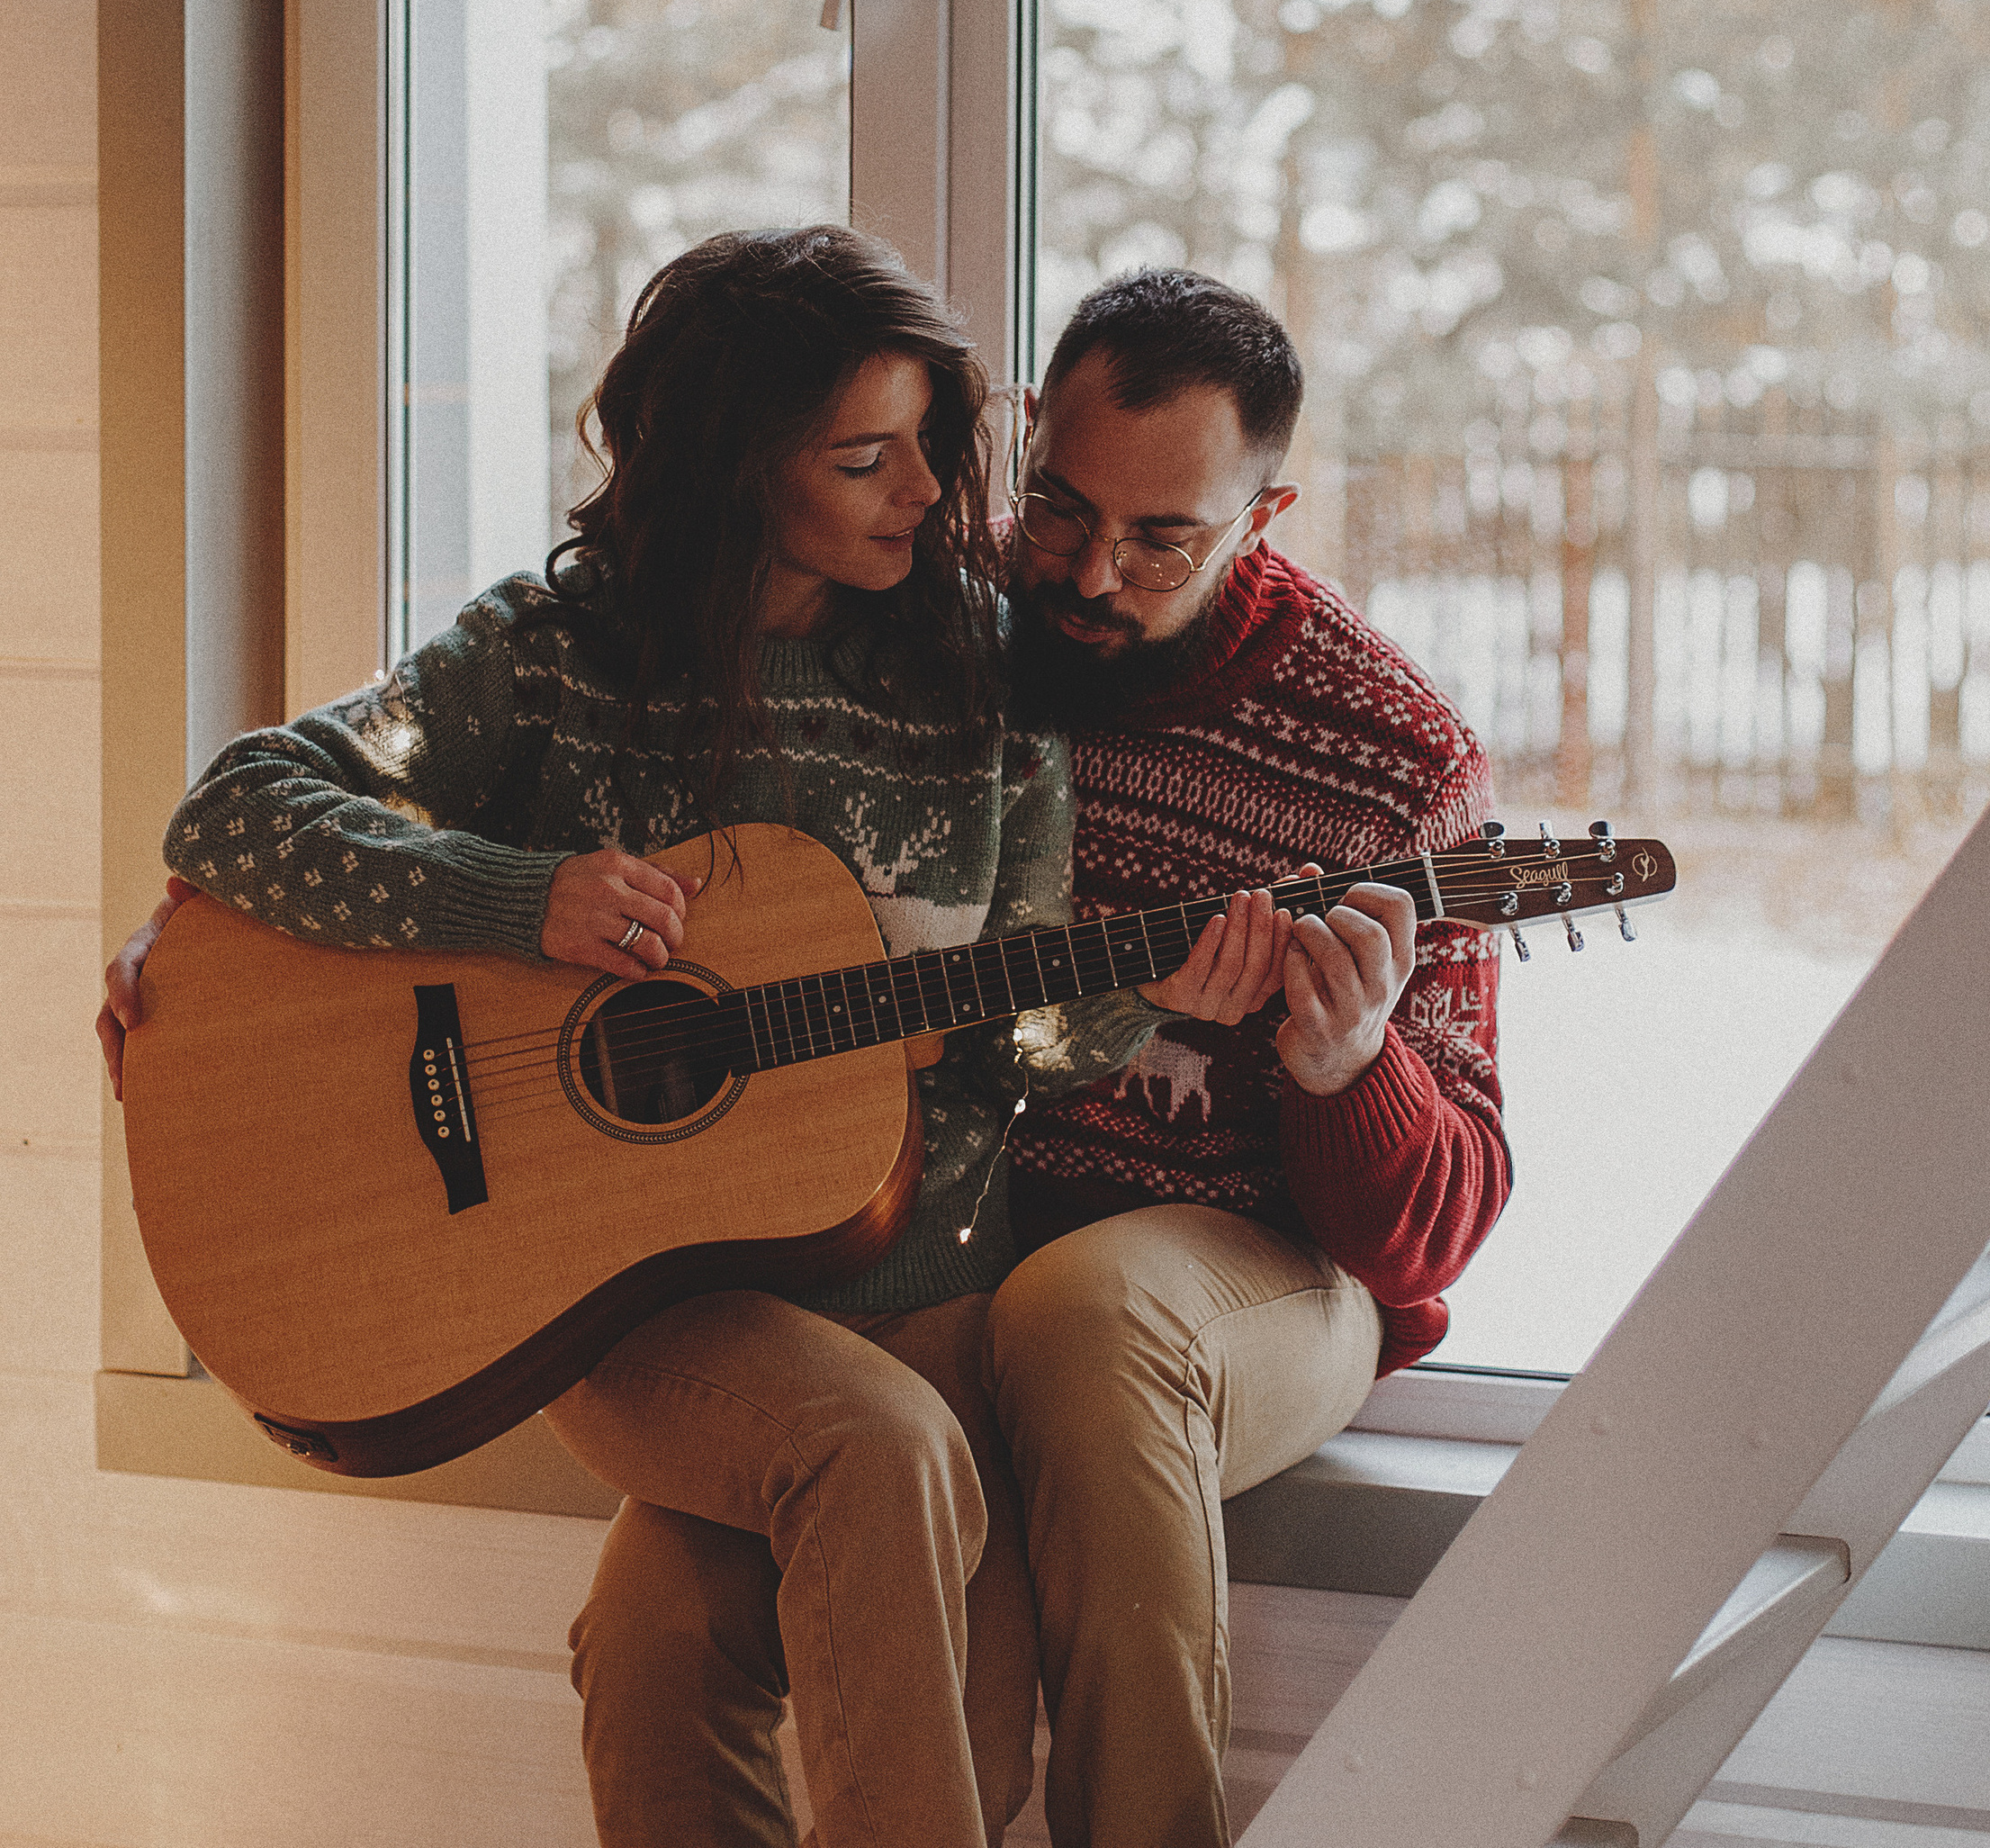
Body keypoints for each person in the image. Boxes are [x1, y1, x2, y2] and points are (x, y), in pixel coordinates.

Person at [98, 225, 1283, 1848]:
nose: (934, 492)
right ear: (734, 465)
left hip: (927, 1275)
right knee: (871, 1451)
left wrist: (1159, 993)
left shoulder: (981, 687)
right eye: (868, 455)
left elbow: (1021, 1031)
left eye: (938, 442)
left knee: (818, 1684)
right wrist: (520, 899)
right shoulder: (545, 655)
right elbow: (241, 804)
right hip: (642, 1306)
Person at [592, 266, 1511, 1848]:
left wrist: (1349, 1061)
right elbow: (501, 726)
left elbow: (1438, 1225)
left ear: (1267, 511)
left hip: (1232, 1275)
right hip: (900, 1248)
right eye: (1062, 510)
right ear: (1019, 443)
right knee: (654, 1625)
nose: (1090, 571)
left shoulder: (1391, 753)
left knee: (1082, 1314)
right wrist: (203, 916)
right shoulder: (935, 642)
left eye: (1164, 538)